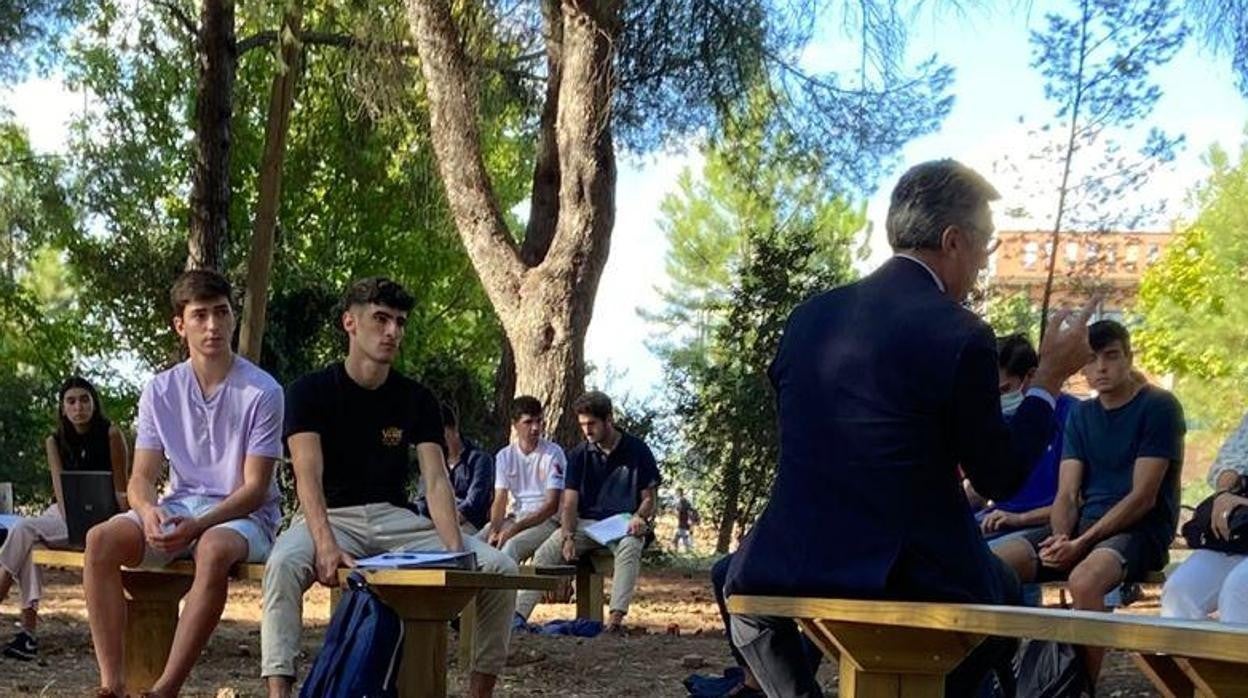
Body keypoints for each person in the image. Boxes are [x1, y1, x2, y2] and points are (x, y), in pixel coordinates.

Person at [723, 159, 1095, 697]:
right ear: (953, 241)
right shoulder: (961, 332)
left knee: (746, 607)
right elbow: (1000, 478)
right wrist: (1050, 379)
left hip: (784, 556)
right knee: (1004, 600)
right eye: (985, 247)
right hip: (909, 567)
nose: (982, 268)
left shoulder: (810, 317)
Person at [260, 277, 517, 698]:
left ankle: (479, 692)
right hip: (329, 517)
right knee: (284, 565)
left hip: (396, 521)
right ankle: (279, 691)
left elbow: (435, 480)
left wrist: (457, 552)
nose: (392, 331)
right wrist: (323, 542)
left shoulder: (417, 398)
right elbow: (307, 474)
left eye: (399, 322)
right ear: (350, 323)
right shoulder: (309, 392)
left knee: (501, 567)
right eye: (381, 319)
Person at [84, 270, 284, 698]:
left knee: (212, 547)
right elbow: (141, 478)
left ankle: (164, 689)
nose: (212, 326)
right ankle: (112, 685)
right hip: (181, 506)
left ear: (233, 318)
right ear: (181, 324)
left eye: (221, 313)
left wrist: (199, 524)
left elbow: (255, 488)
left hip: (244, 515)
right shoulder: (160, 389)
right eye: (200, 316)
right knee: (99, 540)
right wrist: (147, 511)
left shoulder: (263, 391)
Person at [994, 319, 1185, 684]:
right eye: (1092, 359)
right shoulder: (1082, 414)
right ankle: (999, 676)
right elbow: (1067, 492)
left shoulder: (1159, 407)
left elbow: (1142, 498)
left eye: (1111, 356)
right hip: (1082, 526)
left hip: (1138, 530)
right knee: (995, 563)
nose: (1101, 367)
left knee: (1084, 581)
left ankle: (1079, 687)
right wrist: (1063, 538)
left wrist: (1081, 542)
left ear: (1128, 357)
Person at [0, 377, 128, 660]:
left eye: (84, 400)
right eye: (71, 401)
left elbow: (121, 490)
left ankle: (7, 595)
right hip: (65, 512)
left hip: (105, 519)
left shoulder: (111, 435)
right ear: (62, 408)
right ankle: (28, 635)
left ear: (94, 403)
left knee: (23, 529)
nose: (78, 407)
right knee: (28, 544)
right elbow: (61, 495)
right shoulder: (54, 441)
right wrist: (72, 516)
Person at [517, 391, 661, 632]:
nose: (587, 430)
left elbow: (649, 499)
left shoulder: (638, 450)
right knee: (546, 552)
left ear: (609, 420)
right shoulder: (578, 455)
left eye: (592, 423)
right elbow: (570, 503)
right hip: (586, 525)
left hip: (623, 523)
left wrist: (639, 516)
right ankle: (518, 616)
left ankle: (615, 620)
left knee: (630, 545)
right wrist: (567, 536)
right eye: (583, 424)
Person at [974, 334, 1079, 542]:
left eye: (1004, 389)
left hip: (1043, 526)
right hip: (995, 519)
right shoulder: (1001, 418)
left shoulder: (1073, 416)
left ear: (1031, 376)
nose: (998, 400)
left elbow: (1076, 499)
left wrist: (1019, 518)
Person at [1162, 411, 1248, 624]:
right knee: (1179, 591)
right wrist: (1225, 493)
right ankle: (1195, 658)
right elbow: (1230, 459)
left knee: (1239, 589)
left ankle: (1232, 657)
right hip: (1240, 536)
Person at [478, 396, 566, 564]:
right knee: (474, 543)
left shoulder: (553, 453)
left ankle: (505, 590)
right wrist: (495, 529)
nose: (535, 428)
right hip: (515, 517)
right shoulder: (505, 456)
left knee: (511, 547)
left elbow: (551, 505)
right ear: (515, 425)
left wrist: (514, 529)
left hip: (545, 521)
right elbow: (500, 499)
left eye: (539, 421)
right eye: (528, 422)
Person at [413, 402, 495, 534]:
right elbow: (421, 500)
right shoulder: (432, 462)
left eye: (443, 437)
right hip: (434, 525)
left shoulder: (480, 460)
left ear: (455, 430)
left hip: (468, 525)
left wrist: (445, 522)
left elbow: (473, 503)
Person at [673, 487, 695, 553]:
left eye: (677, 492)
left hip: (684, 522)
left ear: (680, 493)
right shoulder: (682, 501)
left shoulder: (683, 501)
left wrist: (689, 520)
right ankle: (678, 551)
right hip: (682, 522)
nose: (676, 494)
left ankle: (688, 550)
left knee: (682, 537)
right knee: (678, 538)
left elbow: (688, 511)